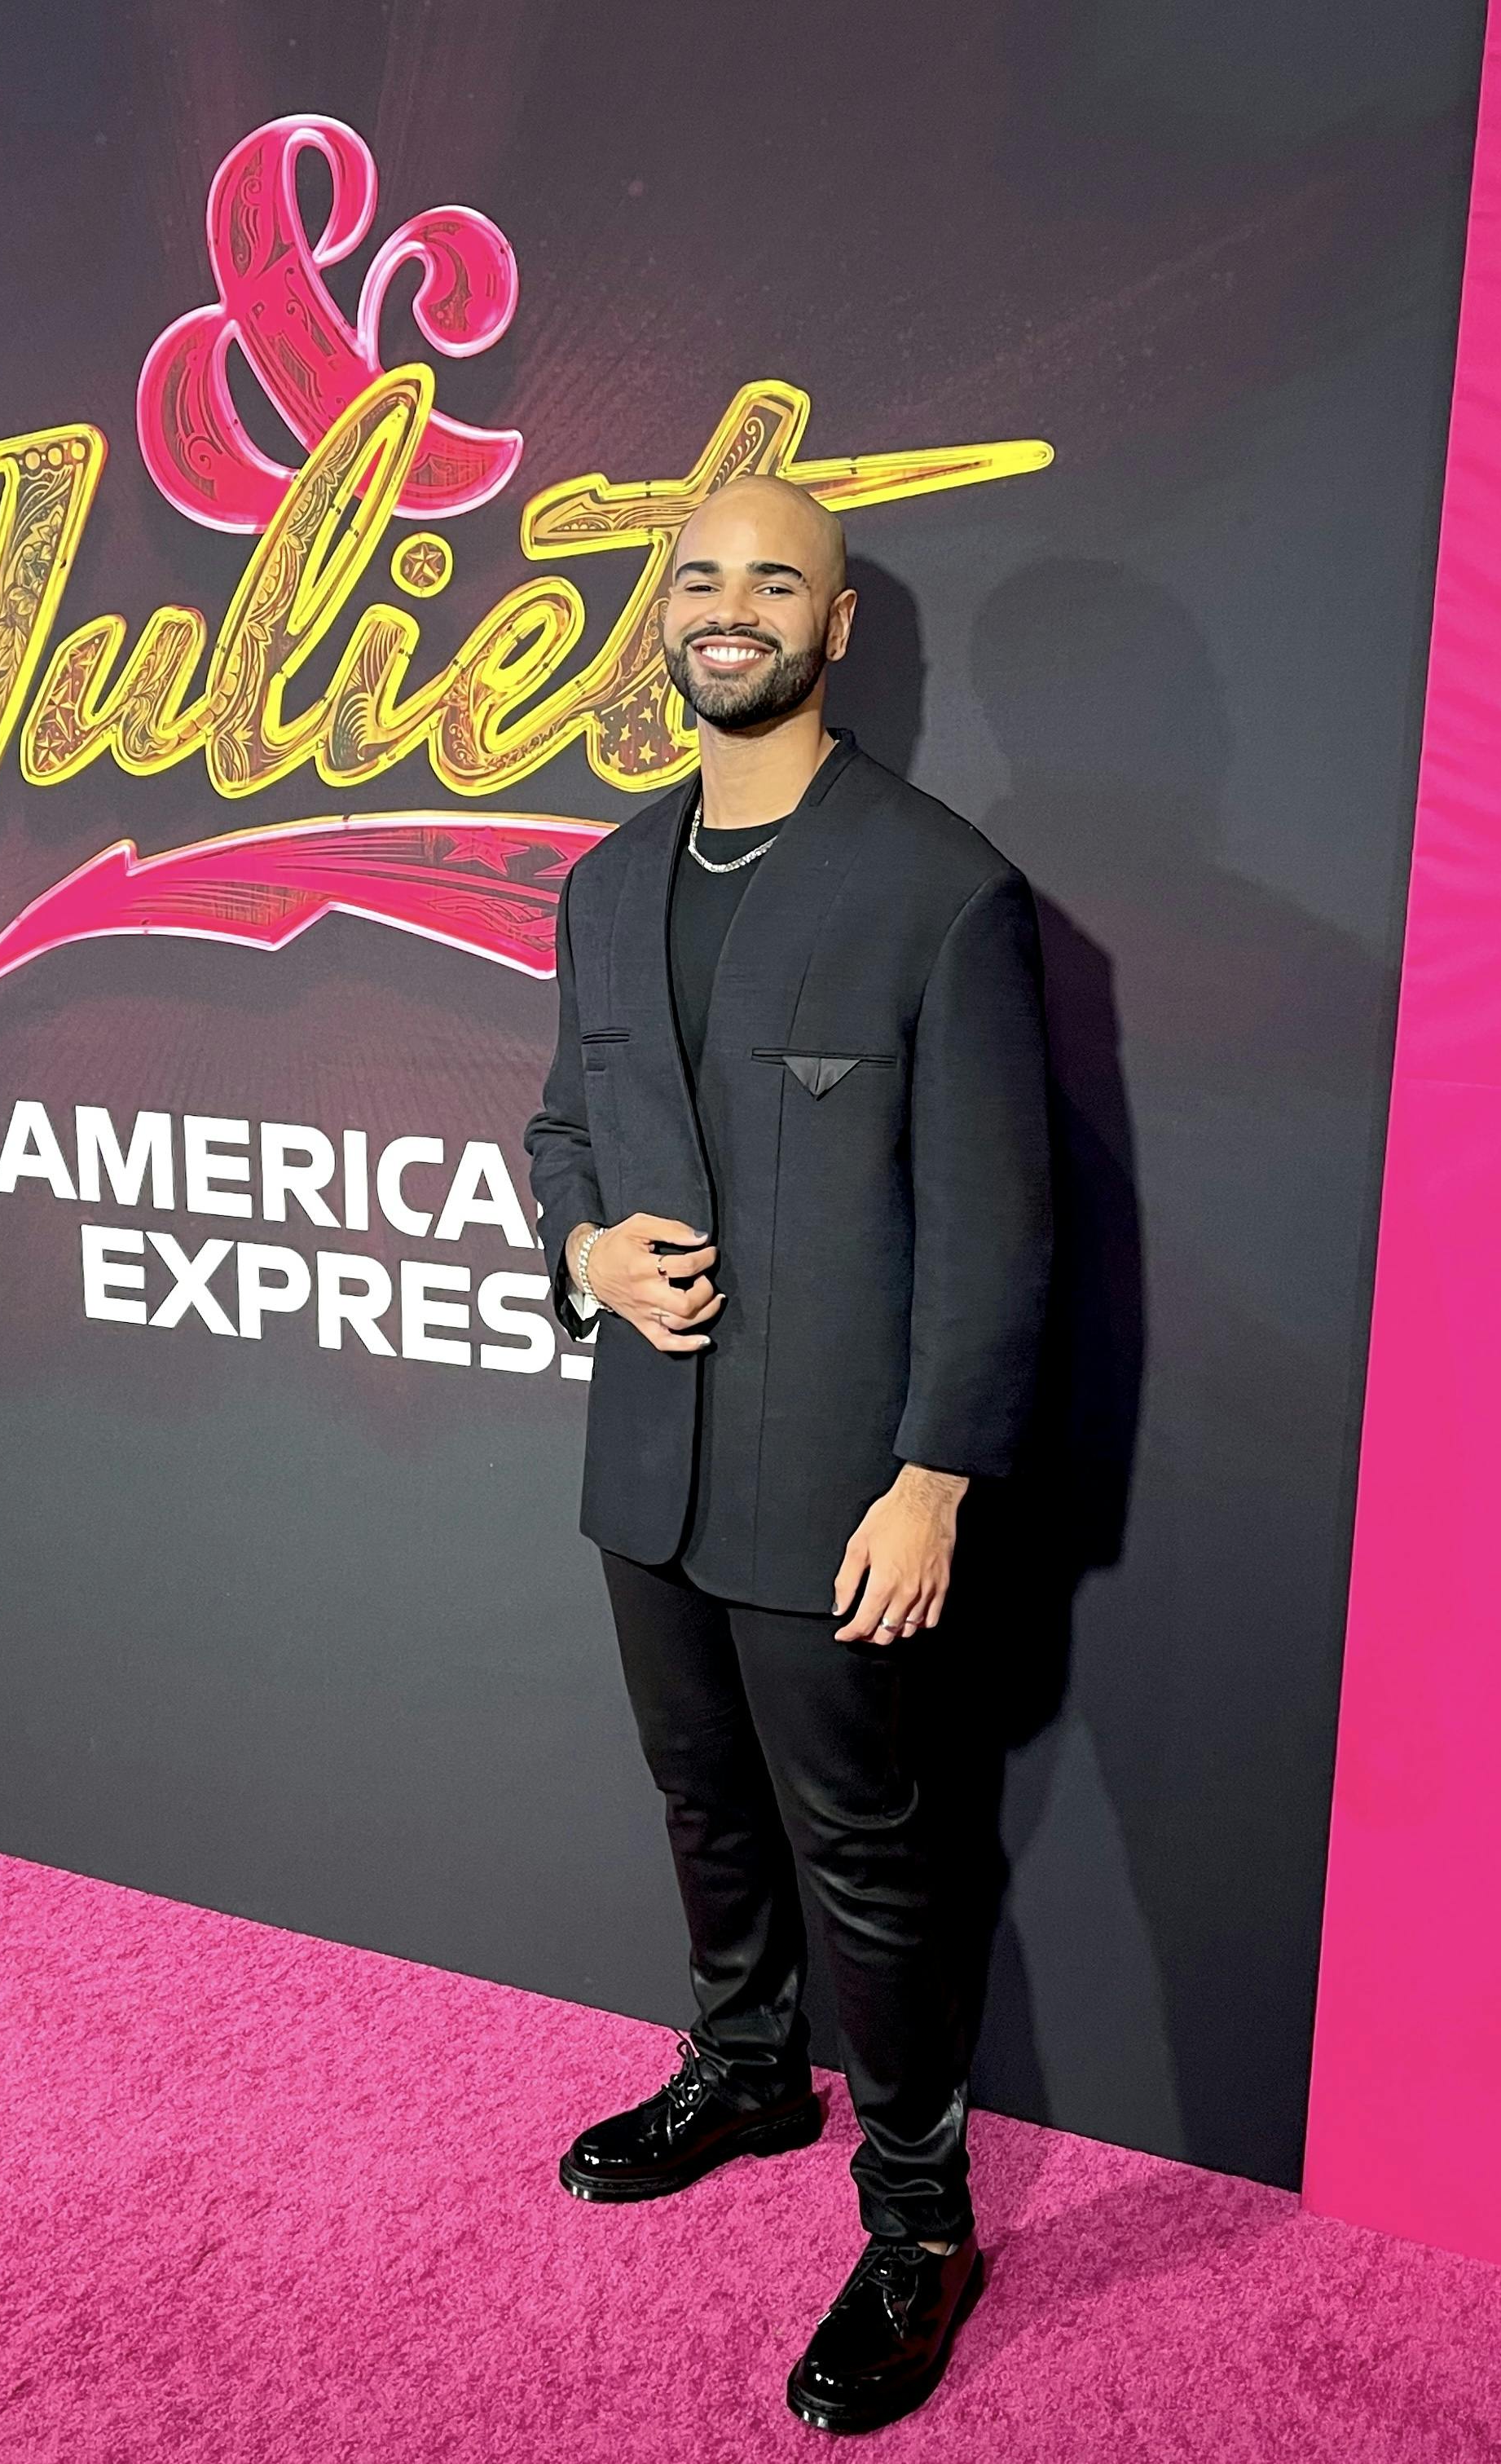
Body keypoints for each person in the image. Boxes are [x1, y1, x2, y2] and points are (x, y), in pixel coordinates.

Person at [525, 474, 1050, 2434]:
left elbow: (1001, 1228)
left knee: (871, 1857)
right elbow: (561, 1129)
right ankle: (745, 2070)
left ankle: (921, 2224)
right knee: (701, 1800)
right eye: (699, 578)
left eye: (773, 579)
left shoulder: (939, 888)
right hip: (647, 1459)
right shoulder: (604, 882)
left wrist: (935, 1479)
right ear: (667, 617)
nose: (727, 606)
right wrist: (582, 1249)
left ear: (835, 628)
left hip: (840, 1487)